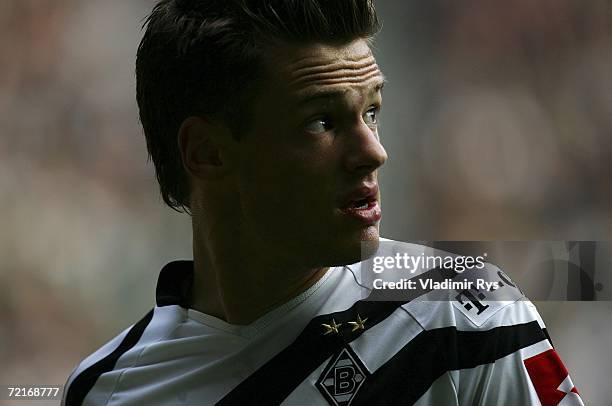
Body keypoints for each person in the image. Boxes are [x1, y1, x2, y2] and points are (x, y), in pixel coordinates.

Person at [62, 1, 584, 405]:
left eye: (372, 112)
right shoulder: (105, 389)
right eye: (321, 122)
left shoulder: (471, 319)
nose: (373, 152)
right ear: (208, 152)